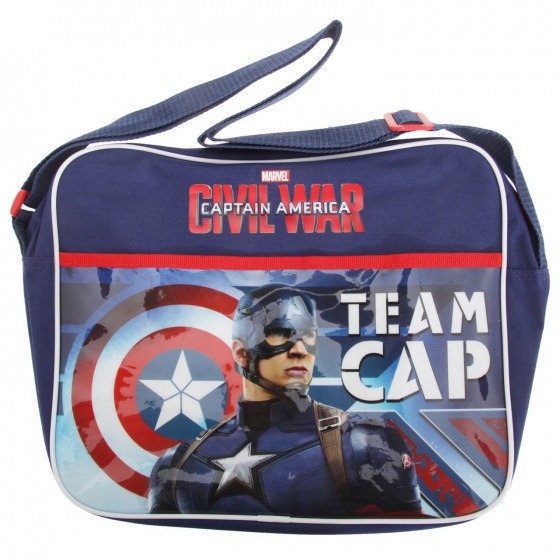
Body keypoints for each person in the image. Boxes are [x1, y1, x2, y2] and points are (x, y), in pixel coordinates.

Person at [148, 284, 422, 517]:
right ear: (241, 353)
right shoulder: (176, 465)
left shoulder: (366, 446)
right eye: (280, 333)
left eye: (308, 336)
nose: (300, 350)